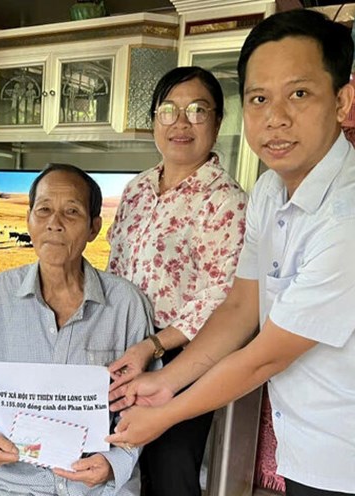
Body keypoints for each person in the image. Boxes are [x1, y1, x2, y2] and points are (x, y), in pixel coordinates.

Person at [107, 9, 355, 496]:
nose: (276, 118)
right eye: (260, 98)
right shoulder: (269, 191)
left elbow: (264, 358)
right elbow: (242, 306)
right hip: (306, 440)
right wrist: (164, 380)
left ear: (343, 100)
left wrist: (164, 410)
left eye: (299, 94)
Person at [0, 163, 154, 495]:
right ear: (29, 219)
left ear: (94, 227)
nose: (54, 223)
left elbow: (145, 401)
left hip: (99, 489)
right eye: (44, 210)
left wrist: (116, 461)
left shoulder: (126, 303)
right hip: (14, 484)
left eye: (71, 212)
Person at [105, 66, 246, 496]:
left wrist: (155, 345)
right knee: (116, 465)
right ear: (154, 121)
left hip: (185, 358)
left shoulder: (226, 201)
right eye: (169, 110)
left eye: (197, 110)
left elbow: (220, 294)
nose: (181, 123)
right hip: (125, 350)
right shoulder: (136, 190)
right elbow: (115, 267)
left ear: (218, 123)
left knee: (170, 475)